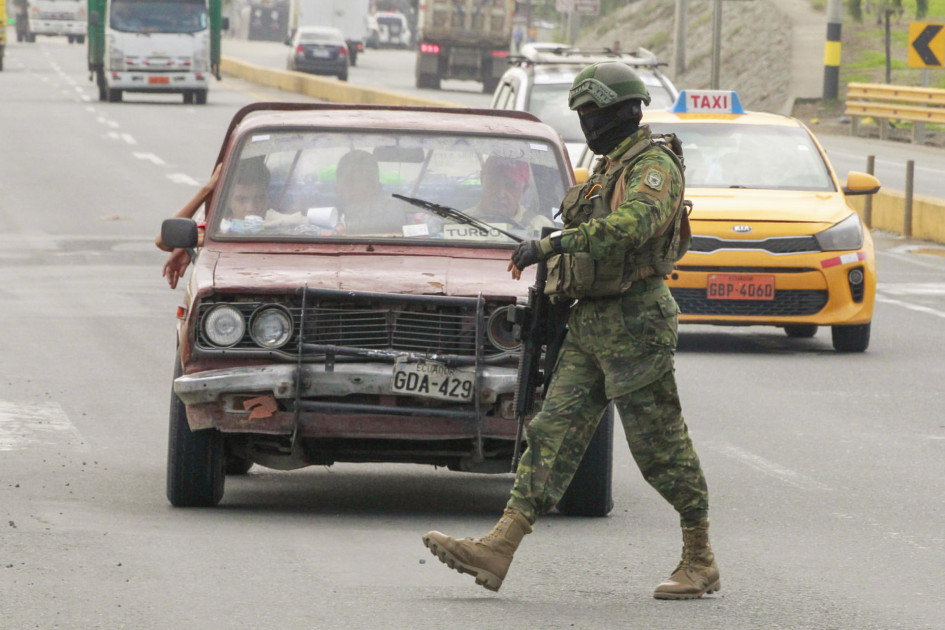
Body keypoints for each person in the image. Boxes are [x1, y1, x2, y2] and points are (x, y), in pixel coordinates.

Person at [422, 62, 719, 600]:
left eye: (592, 112)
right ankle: (499, 547)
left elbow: (634, 226)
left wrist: (553, 245)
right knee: (551, 435)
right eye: (580, 114)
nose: (586, 123)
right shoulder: (607, 167)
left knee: (659, 449)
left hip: (636, 322)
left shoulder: (654, 166)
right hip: (591, 320)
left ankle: (699, 558)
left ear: (623, 112)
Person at [159, 157, 271, 289]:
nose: (251, 207)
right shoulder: (220, 230)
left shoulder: (284, 224)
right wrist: (207, 189)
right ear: (228, 201)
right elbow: (163, 241)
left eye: (259, 198)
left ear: (268, 196)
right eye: (241, 200)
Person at [466, 156, 553, 235]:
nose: (500, 193)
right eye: (493, 182)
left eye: (511, 185)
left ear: (524, 189)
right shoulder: (458, 222)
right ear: (482, 180)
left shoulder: (541, 227)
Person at [334, 149, 406, 234]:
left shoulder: (393, 211)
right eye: (350, 181)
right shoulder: (321, 215)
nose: (358, 187)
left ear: (378, 187)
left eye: (365, 180)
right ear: (337, 188)